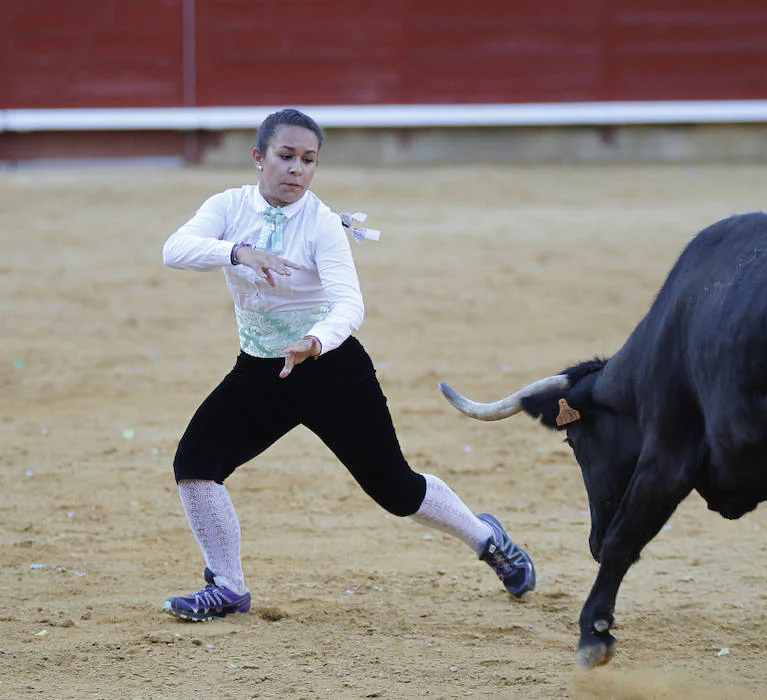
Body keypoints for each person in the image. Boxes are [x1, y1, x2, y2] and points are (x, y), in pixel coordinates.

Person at [160, 108, 536, 621]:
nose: (297, 169)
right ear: (258, 157)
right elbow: (174, 249)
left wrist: (315, 341)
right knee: (195, 465)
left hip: (331, 372)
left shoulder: (321, 223)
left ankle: (486, 538)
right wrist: (239, 253)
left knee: (397, 491)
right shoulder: (228, 207)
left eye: (308, 160)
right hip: (261, 371)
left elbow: (349, 304)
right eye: (286, 156)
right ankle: (227, 586)